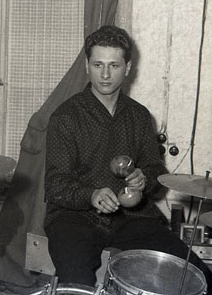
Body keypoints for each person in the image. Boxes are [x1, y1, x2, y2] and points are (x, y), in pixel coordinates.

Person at [44, 25, 212, 288]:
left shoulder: (139, 115)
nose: (105, 74)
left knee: (195, 275)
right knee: (76, 283)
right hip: (75, 218)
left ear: (128, 67)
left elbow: (155, 169)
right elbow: (55, 185)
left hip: (132, 218)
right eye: (98, 65)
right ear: (87, 66)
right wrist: (91, 195)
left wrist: (145, 178)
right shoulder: (65, 116)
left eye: (114, 65)